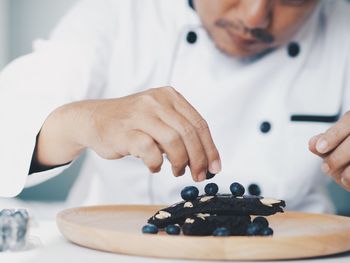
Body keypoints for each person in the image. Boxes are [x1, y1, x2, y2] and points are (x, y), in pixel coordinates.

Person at [0, 0, 349, 213]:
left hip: (298, 253)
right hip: (112, 251)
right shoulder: (120, 12)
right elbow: (10, 116)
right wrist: (85, 121)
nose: (255, 16)